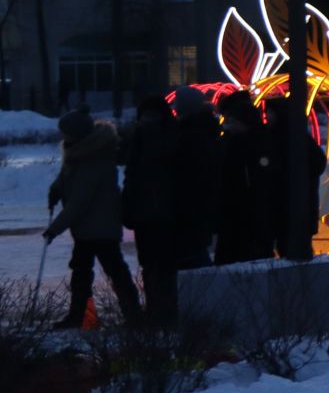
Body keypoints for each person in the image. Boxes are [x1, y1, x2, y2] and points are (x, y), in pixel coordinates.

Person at [45, 108, 142, 328]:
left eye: (67, 133)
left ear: (78, 134)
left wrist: (54, 229)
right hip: (86, 228)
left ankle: (132, 315)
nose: (64, 138)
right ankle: (79, 316)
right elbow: (66, 176)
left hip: (101, 227)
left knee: (112, 270)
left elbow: (79, 202)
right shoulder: (78, 153)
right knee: (83, 271)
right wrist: (56, 188)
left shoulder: (95, 160)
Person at [120, 95, 182, 325]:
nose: (147, 121)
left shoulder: (167, 139)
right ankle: (157, 309)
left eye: (151, 116)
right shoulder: (142, 140)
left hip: (162, 213)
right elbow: (131, 178)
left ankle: (164, 311)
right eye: (145, 117)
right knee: (151, 264)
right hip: (148, 213)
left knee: (162, 265)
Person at [262, 96, 327, 261]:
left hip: (293, 209)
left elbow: (317, 164)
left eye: (270, 112)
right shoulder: (277, 137)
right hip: (287, 209)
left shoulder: (294, 139)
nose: (267, 115)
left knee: (294, 254)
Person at [215, 90, 272, 264]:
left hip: (246, 217)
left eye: (233, 121)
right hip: (237, 215)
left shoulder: (248, 146)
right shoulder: (233, 143)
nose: (228, 124)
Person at [170, 87, 223, 270]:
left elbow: (191, 172)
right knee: (194, 252)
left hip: (190, 205)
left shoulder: (189, 134)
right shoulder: (206, 130)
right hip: (198, 204)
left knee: (191, 255)